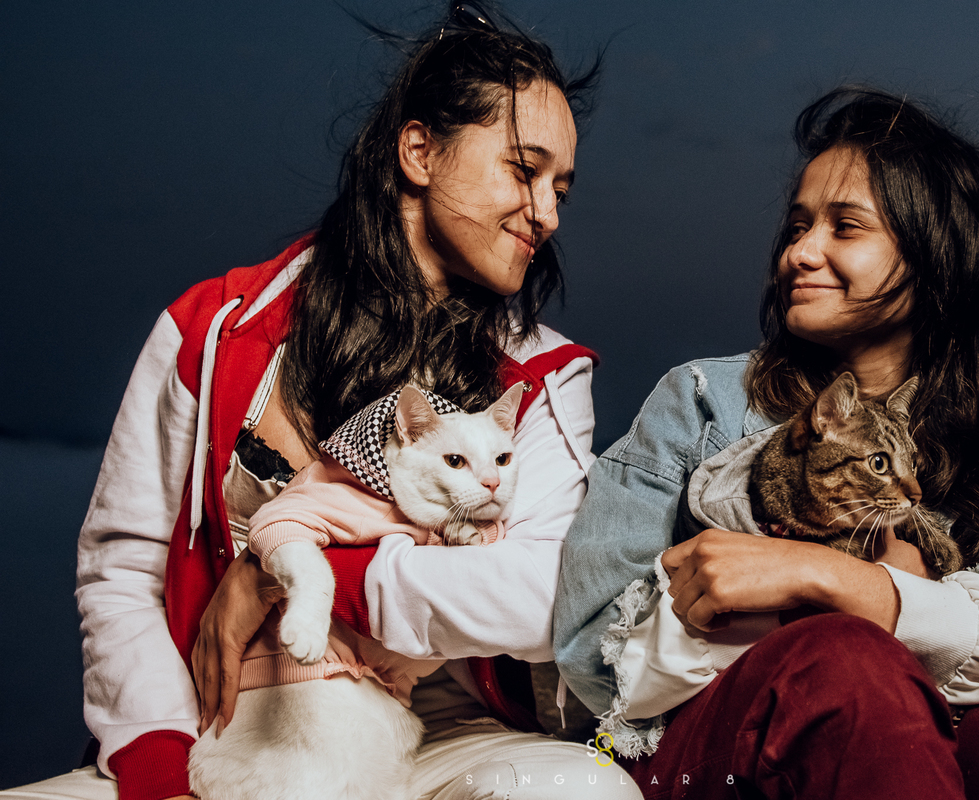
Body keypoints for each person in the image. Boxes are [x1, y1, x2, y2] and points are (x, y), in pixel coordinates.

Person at [3, 3, 641, 799]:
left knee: (584, 790)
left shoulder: (545, 374)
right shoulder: (211, 329)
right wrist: (162, 769)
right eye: (523, 168)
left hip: (444, 733)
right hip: (229, 733)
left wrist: (280, 573)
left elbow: (544, 593)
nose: (547, 212)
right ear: (419, 151)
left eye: (561, 189)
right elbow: (122, 566)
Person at [553, 87, 979, 799]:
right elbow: (590, 651)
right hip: (722, 747)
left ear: (932, 262)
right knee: (849, 669)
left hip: (930, 741)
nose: (800, 251)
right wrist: (847, 626)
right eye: (798, 225)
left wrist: (832, 579)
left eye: (844, 227)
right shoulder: (703, 402)